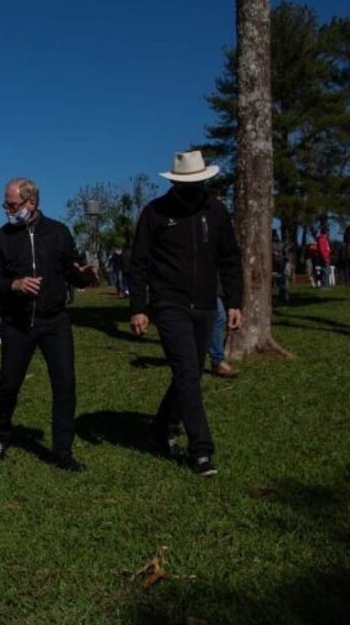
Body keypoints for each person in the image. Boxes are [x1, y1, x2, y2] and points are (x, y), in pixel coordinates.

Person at [129, 151, 243, 477]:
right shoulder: (156, 213)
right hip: (169, 304)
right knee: (188, 372)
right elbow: (138, 263)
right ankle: (201, 450)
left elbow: (230, 258)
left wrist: (234, 301)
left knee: (187, 374)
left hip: (207, 304)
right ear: (176, 182)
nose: (195, 187)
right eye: (188, 182)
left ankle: (161, 426)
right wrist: (138, 306)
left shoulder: (216, 211)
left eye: (200, 181)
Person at [0, 177, 98, 472]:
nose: (7, 210)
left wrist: (84, 274)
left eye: (11, 204)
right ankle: (0, 437)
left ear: (30, 203)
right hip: (17, 323)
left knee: (65, 386)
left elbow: (72, 270)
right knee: (8, 385)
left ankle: (63, 450)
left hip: (55, 322)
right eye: (6, 205)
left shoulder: (58, 232)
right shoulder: (0, 239)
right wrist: (15, 284)